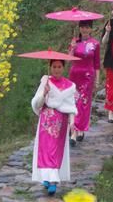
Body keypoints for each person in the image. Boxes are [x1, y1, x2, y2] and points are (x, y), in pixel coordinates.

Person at [31, 59, 78, 196]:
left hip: (61, 123)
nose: (56, 69)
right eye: (54, 67)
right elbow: (37, 104)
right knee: (45, 149)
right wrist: (44, 94)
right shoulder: (46, 82)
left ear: (63, 68)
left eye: (59, 66)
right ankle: (47, 178)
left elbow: (71, 106)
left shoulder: (69, 86)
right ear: (50, 67)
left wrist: (72, 122)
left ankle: (53, 180)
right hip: (46, 121)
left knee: (55, 151)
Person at [67, 21, 100, 146]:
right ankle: (74, 130)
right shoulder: (74, 41)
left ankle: (79, 129)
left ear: (91, 29)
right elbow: (68, 58)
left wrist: (97, 79)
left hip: (87, 76)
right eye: (82, 27)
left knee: (83, 102)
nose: (85, 30)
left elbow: (97, 64)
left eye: (87, 27)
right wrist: (72, 48)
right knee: (74, 101)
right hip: (75, 74)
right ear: (79, 28)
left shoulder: (95, 44)